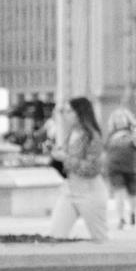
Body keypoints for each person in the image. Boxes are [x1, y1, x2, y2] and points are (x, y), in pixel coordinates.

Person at [46, 95, 111, 239]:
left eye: (69, 111)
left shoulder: (93, 137)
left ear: (80, 113)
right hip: (69, 190)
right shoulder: (70, 133)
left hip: (90, 192)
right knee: (55, 236)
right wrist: (56, 155)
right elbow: (67, 161)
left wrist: (65, 158)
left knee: (100, 238)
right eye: (64, 111)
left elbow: (92, 168)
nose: (65, 115)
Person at [102, 106, 136, 229]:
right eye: (116, 118)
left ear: (128, 119)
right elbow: (105, 150)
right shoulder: (111, 135)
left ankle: (132, 213)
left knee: (133, 195)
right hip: (115, 168)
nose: (119, 120)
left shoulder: (135, 131)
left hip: (133, 168)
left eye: (122, 117)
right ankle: (121, 218)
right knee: (119, 193)